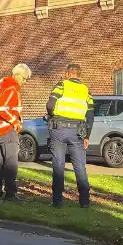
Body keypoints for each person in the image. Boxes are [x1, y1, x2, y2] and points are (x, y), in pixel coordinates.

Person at [46, 64, 95, 208]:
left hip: (59, 129)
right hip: (77, 132)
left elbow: (50, 105)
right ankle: (85, 201)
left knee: (58, 165)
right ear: (79, 75)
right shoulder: (86, 91)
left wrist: (51, 116)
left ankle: (57, 201)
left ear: (67, 74)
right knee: (80, 166)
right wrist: (87, 136)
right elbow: (91, 115)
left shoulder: (61, 85)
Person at [0, 63, 31, 201]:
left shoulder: (0, 88)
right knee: (11, 164)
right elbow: (2, 109)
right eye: (24, 78)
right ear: (16, 75)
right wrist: (16, 122)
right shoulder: (12, 89)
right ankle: (10, 194)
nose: (24, 82)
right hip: (7, 131)